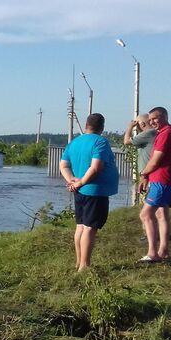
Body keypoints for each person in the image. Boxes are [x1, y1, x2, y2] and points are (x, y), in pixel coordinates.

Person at [59, 113, 119, 272]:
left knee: (80, 226)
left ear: (86, 125)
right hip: (94, 191)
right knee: (89, 228)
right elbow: (96, 167)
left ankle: (79, 262)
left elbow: (63, 165)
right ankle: (84, 266)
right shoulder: (100, 142)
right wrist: (80, 182)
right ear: (102, 127)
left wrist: (72, 180)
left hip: (79, 191)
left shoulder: (74, 143)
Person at [138, 107, 171, 262]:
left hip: (162, 179)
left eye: (155, 118)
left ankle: (152, 252)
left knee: (145, 214)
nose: (152, 122)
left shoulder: (166, 134)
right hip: (162, 178)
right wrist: (147, 178)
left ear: (164, 116)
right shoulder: (169, 133)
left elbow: (156, 160)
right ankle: (163, 250)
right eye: (150, 120)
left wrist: (143, 174)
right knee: (161, 214)